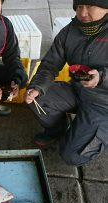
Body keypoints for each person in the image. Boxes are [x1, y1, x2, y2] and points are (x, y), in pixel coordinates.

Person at [24, 0, 108, 166]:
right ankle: (59, 129)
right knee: (37, 97)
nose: (83, 13)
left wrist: (102, 77)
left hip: (103, 105)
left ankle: (98, 129)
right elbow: (49, 65)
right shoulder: (69, 31)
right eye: (79, 6)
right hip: (77, 91)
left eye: (90, 6)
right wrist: (36, 87)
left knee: (72, 155)